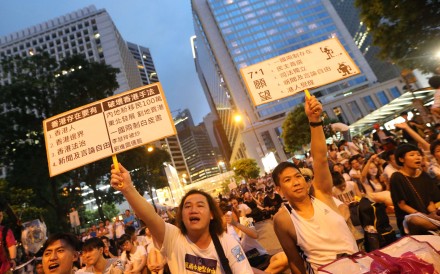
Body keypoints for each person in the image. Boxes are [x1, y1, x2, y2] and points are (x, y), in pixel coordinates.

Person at [272, 95, 358, 273]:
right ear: (279, 190)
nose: (296, 182)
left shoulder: (321, 194)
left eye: (297, 176)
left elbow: (320, 159)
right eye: (287, 180)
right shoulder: (283, 219)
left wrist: (314, 120)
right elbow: (295, 262)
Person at [110, 167, 253, 273]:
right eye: (187, 206)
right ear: (182, 216)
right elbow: (150, 217)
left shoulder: (228, 243)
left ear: (211, 215)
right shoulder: (173, 238)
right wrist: (128, 188)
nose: (193, 210)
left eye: (200, 205)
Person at [0, 204, 17, 273]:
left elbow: (11, 246)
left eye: (0, 216)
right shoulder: (6, 231)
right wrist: (13, 260)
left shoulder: (6, 231)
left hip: (4, 268)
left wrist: (12, 259)